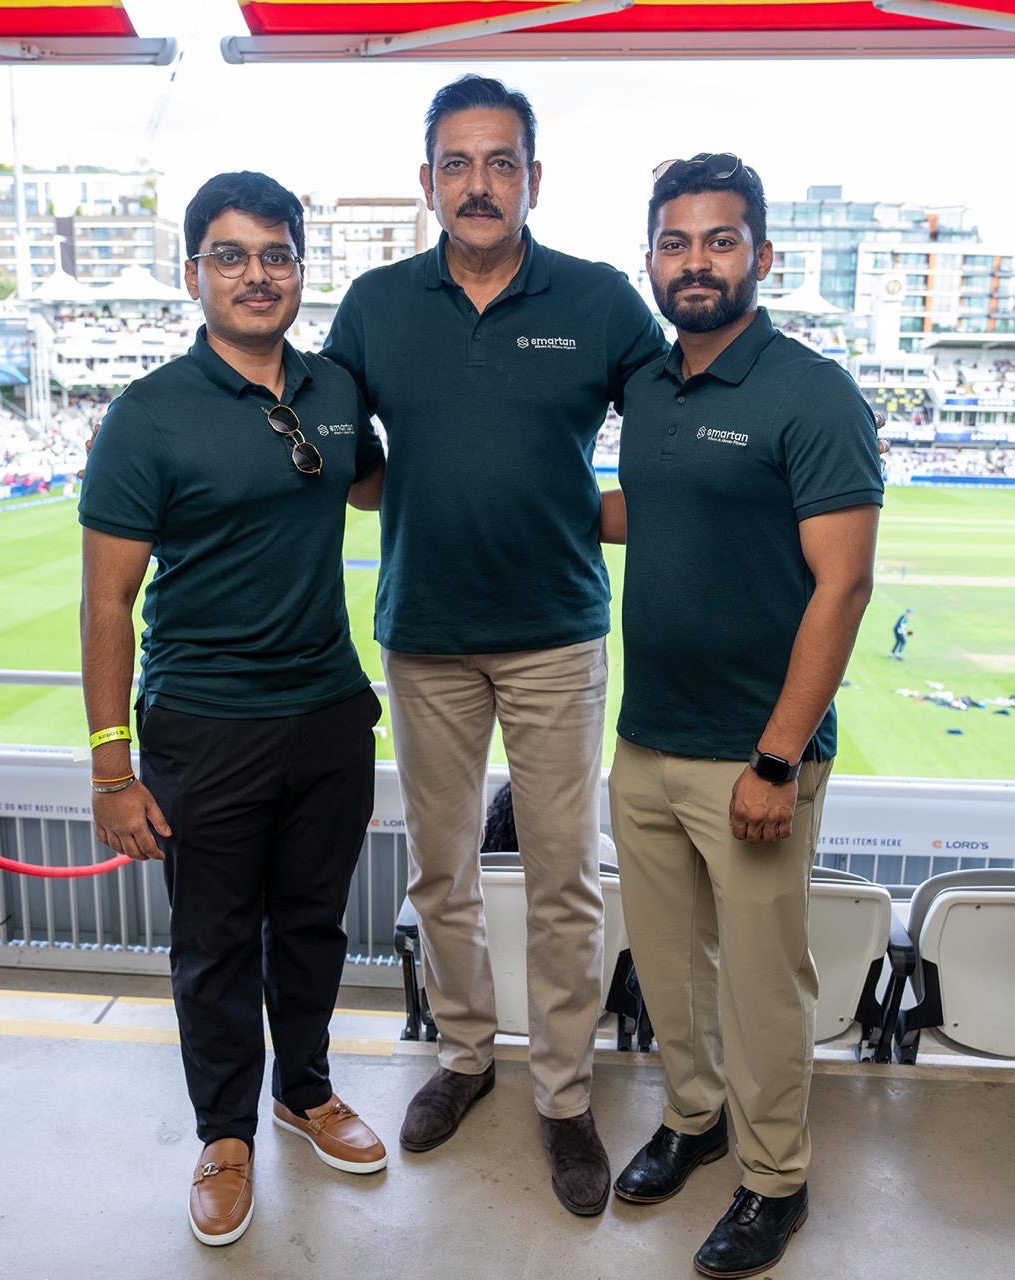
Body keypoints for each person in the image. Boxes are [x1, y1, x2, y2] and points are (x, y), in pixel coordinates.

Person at [323, 74, 667, 1215]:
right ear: (427, 181)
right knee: (442, 871)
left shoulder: (602, 297)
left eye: (500, 162)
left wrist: (591, 509)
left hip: (557, 637)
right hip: (423, 633)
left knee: (567, 878)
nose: (479, 184)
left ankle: (563, 1092)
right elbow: (346, 457)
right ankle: (466, 1055)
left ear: (533, 177)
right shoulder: (373, 304)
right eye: (457, 164)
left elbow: (666, 435)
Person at [78, 171, 388, 1248]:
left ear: (301, 267)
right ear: (193, 270)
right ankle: (225, 1132)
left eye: (275, 254)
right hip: (202, 723)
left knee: (311, 926)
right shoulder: (149, 412)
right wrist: (112, 768)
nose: (255, 274)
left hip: (330, 713)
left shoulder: (337, 387)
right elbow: (107, 599)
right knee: (212, 941)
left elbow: (375, 480)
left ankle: (304, 1092)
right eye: (230, 254)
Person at [603, 153, 882, 1275]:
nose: (696, 261)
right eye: (675, 241)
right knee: (670, 971)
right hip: (646, 738)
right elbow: (651, 511)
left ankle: (774, 1179)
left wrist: (775, 757)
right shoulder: (652, 389)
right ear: (653, 259)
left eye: (720, 240)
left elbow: (844, 582)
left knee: (762, 983)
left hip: (750, 759)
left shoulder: (811, 393)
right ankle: (693, 1116)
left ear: (761, 255)